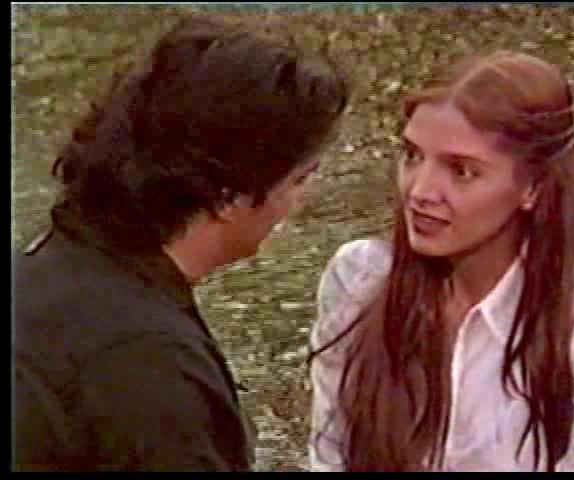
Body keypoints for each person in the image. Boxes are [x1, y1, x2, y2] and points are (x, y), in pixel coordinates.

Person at [308, 51, 574, 472]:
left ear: (534, 187)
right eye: (413, 156)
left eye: (461, 171)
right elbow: (331, 454)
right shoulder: (360, 280)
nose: (420, 191)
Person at [13, 13, 348, 472]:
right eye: (299, 180)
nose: (300, 201)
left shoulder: (45, 267)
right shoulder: (152, 370)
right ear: (230, 195)